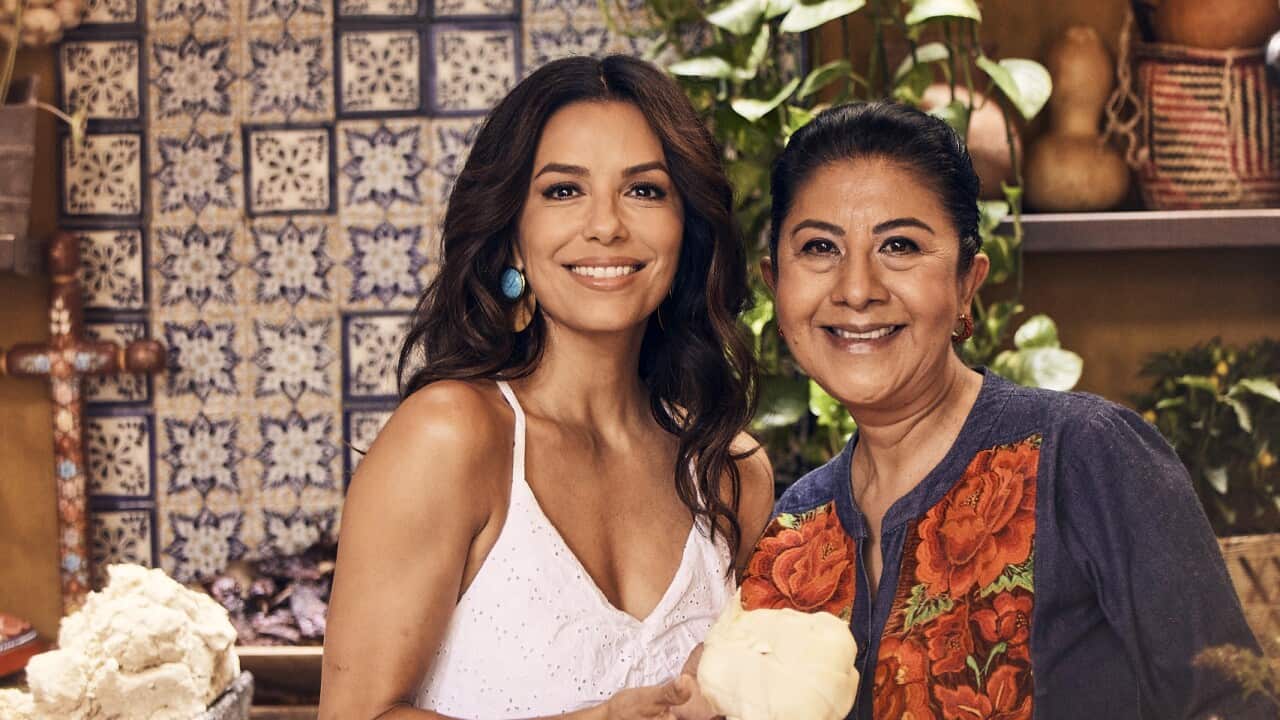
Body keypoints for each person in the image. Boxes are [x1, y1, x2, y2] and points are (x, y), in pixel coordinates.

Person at [741, 101, 1268, 719]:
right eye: (820, 247)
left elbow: (1234, 703)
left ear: (969, 283)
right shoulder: (795, 528)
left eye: (900, 245)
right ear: (776, 285)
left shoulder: (1086, 456)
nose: (857, 288)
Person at [318, 54, 774, 720]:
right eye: (564, 190)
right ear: (512, 238)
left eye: (644, 190)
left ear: (686, 232)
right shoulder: (451, 437)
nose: (606, 225)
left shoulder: (730, 471)